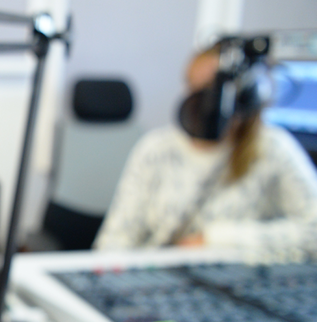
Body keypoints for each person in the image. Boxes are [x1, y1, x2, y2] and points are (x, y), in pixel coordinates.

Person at [93, 39, 317, 257]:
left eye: (211, 90)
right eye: (192, 88)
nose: (199, 102)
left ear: (247, 98)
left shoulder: (273, 148)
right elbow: (114, 241)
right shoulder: (156, 149)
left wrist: (216, 240)